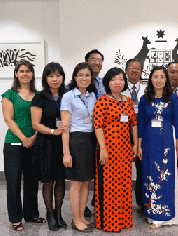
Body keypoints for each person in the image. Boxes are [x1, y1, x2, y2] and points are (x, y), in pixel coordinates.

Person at [137, 66, 178, 228]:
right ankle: (152, 212)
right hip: (149, 142)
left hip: (166, 142)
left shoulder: (172, 98)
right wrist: (139, 145)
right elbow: (141, 123)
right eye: (155, 76)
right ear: (150, 79)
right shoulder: (145, 99)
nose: (158, 80)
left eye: (162, 77)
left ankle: (164, 216)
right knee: (149, 175)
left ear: (166, 79)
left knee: (165, 175)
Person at [1, 60, 44, 231]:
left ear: (32, 74)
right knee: (13, 182)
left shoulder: (39, 95)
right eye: (22, 71)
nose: (25, 74)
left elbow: (42, 119)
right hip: (13, 143)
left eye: (28, 71)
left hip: (34, 142)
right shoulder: (9, 94)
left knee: (32, 181)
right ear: (16, 74)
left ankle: (31, 214)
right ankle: (15, 218)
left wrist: (33, 136)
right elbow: (8, 119)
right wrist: (23, 138)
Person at [94, 67, 138, 232]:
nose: (117, 82)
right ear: (108, 83)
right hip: (108, 148)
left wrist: (135, 144)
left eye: (120, 79)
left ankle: (123, 220)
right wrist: (103, 149)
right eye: (113, 79)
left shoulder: (127, 101)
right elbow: (97, 126)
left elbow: (133, 123)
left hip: (125, 149)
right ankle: (109, 222)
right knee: (109, 185)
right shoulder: (102, 101)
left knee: (124, 184)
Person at [31, 62, 68, 231]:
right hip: (46, 143)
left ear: (63, 77)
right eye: (51, 75)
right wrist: (53, 131)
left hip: (64, 144)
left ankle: (59, 213)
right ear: (45, 78)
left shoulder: (67, 95)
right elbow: (35, 125)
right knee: (48, 180)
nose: (55, 79)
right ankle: (50, 213)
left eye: (58, 75)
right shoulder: (40, 97)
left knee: (61, 180)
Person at [61, 62, 97, 233]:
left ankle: (82, 216)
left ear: (91, 78)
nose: (84, 78)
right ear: (75, 77)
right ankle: (76, 219)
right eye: (80, 75)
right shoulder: (68, 97)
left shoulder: (92, 96)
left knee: (86, 183)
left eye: (87, 75)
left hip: (90, 141)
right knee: (76, 183)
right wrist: (66, 152)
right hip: (76, 141)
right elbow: (65, 128)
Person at [121, 58, 146, 215]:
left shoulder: (147, 89)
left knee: (142, 168)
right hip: (123, 133)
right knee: (122, 168)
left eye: (137, 68)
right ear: (126, 71)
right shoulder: (119, 89)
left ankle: (142, 202)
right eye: (131, 68)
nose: (134, 71)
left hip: (142, 132)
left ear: (141, 71)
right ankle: (122, 203)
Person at [85, 49, 105, 217]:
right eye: (93, 59)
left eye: (99, 60)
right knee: (84, 169)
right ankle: (82, 204)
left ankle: (97, 199)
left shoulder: (104, 82)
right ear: (87, 61)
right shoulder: (79, 82)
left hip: (102, 132)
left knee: (100, 166)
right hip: (84, 132)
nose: (96, 62)